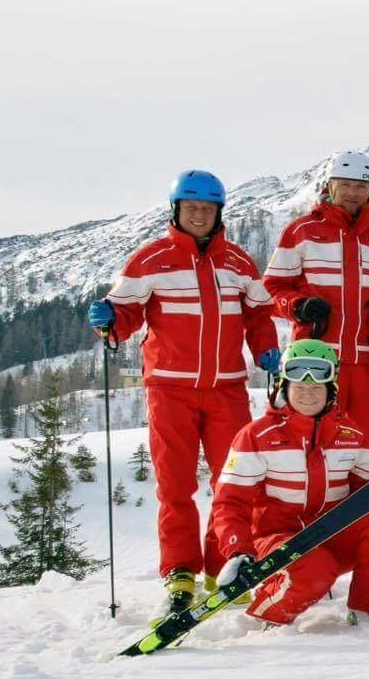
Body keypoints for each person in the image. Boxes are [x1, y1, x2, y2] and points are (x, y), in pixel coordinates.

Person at [89, 170, 280, 612]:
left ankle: (222, 565)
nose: (199, 214)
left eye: (207, 208)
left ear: (219, 212)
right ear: (175, 210)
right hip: (169, 388)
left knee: (231, 482)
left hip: (227, 388)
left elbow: (258, 315)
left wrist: (266, 349)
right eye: (191, 207)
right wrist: (110, 322)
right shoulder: (150, 259)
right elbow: (125, 311)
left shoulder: (238, 262)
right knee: (175, 484)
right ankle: (179, 571)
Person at [208, 340, 369, 627]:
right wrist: (237, 550)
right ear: (284, 386)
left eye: (317, 387)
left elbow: (368, 491)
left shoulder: (351, 434)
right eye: (299, 386)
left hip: (333, 531)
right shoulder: (257, 436)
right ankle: (272, 613)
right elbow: (231, 501)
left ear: (331, 389)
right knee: (315, 570)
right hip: (279, 540)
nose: (308, 394)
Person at [264, 151, 369, 464]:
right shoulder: (301, 231)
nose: (353, 193)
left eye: (361, 187)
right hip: (314, 359)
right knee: (315, 440)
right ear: (330, 186)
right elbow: (270, 292)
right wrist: (298, 306)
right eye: (345, 185)